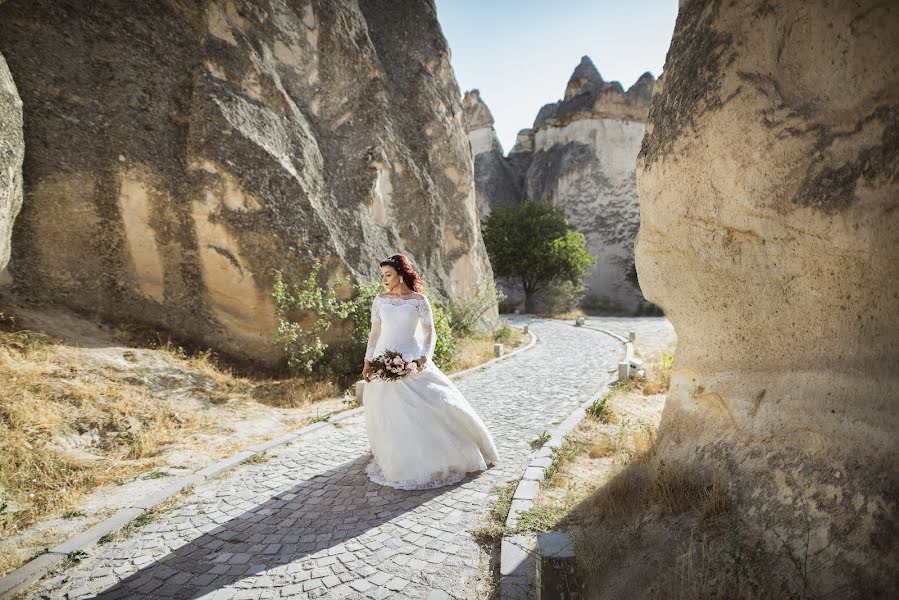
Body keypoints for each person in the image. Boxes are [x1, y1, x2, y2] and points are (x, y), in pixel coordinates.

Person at [361, 254, 499, 490]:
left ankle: (442, 454)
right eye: (382, 275)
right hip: (383, 361)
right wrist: (368, 360)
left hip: (412, 360)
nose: (384, 279)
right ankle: (397, 457)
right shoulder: (380, 300)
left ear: (400, 275)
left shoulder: (418, 300)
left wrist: (424, 356)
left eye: (388, 275)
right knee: (389, 411)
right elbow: (375, 333)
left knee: (432, 405)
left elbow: (429, 332)